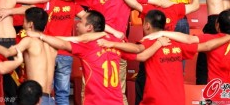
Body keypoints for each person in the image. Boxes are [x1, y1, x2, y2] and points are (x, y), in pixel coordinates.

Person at [97, 10, 230, 105]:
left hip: (155, 101)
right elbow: (206, 47)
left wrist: (110, 43)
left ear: (147, 25)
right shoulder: (177, 43)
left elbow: (137, 51)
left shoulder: (148, 41)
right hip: (178, 100)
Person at [26, 10, 171, 105]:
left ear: (89, 28)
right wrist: (158, 43)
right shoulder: (117, 44)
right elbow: (140, 52)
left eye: (81, 22)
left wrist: (40, 35)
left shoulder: (88, 45)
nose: (77, 25)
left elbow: (63, 44)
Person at [107, 0, 199, 103]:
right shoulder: (175, 8)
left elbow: (132, 1)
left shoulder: (148, 8)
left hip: (149, 52)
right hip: (168, 52)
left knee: (143, 85)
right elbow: (196, 5)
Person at [0, 7, 57, 105]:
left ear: (30, 24)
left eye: (24, 21)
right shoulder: (51, 43)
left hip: (35, 100)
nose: (23, 25)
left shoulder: (29, 41)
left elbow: (7, 53)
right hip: (49, 99)